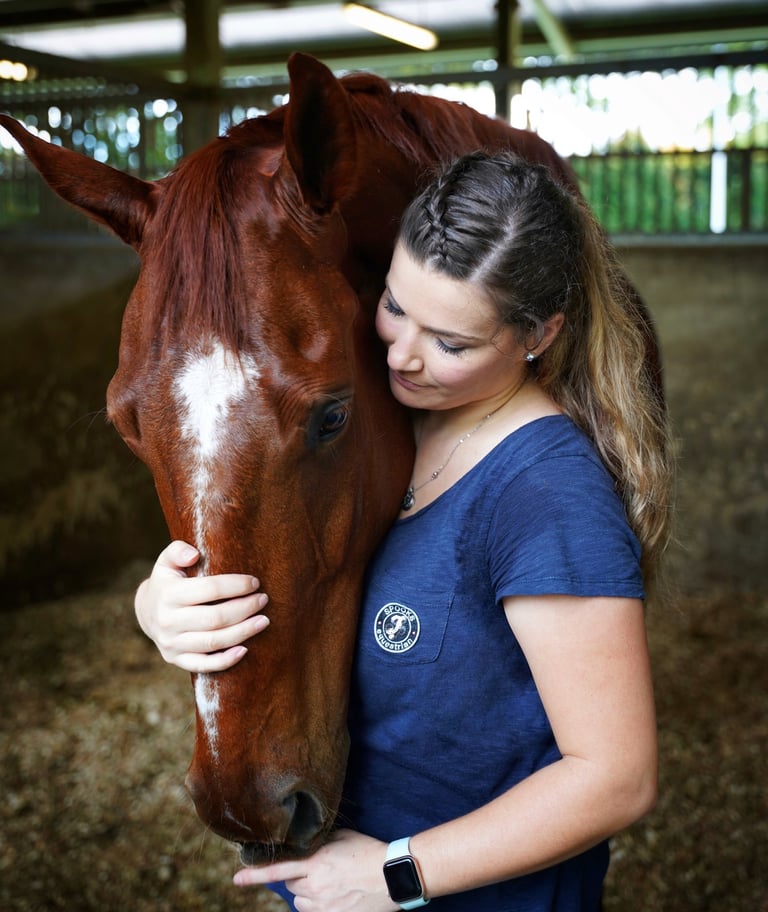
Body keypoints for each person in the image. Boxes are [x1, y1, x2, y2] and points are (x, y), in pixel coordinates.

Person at [135, 151, 672, 912]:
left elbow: (617, 777)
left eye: (451, 343)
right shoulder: (383, 419)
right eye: (394, 305)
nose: (402, 353)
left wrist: (395, 874)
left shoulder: (547, 497)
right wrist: (161, 606)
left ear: (539, 335)